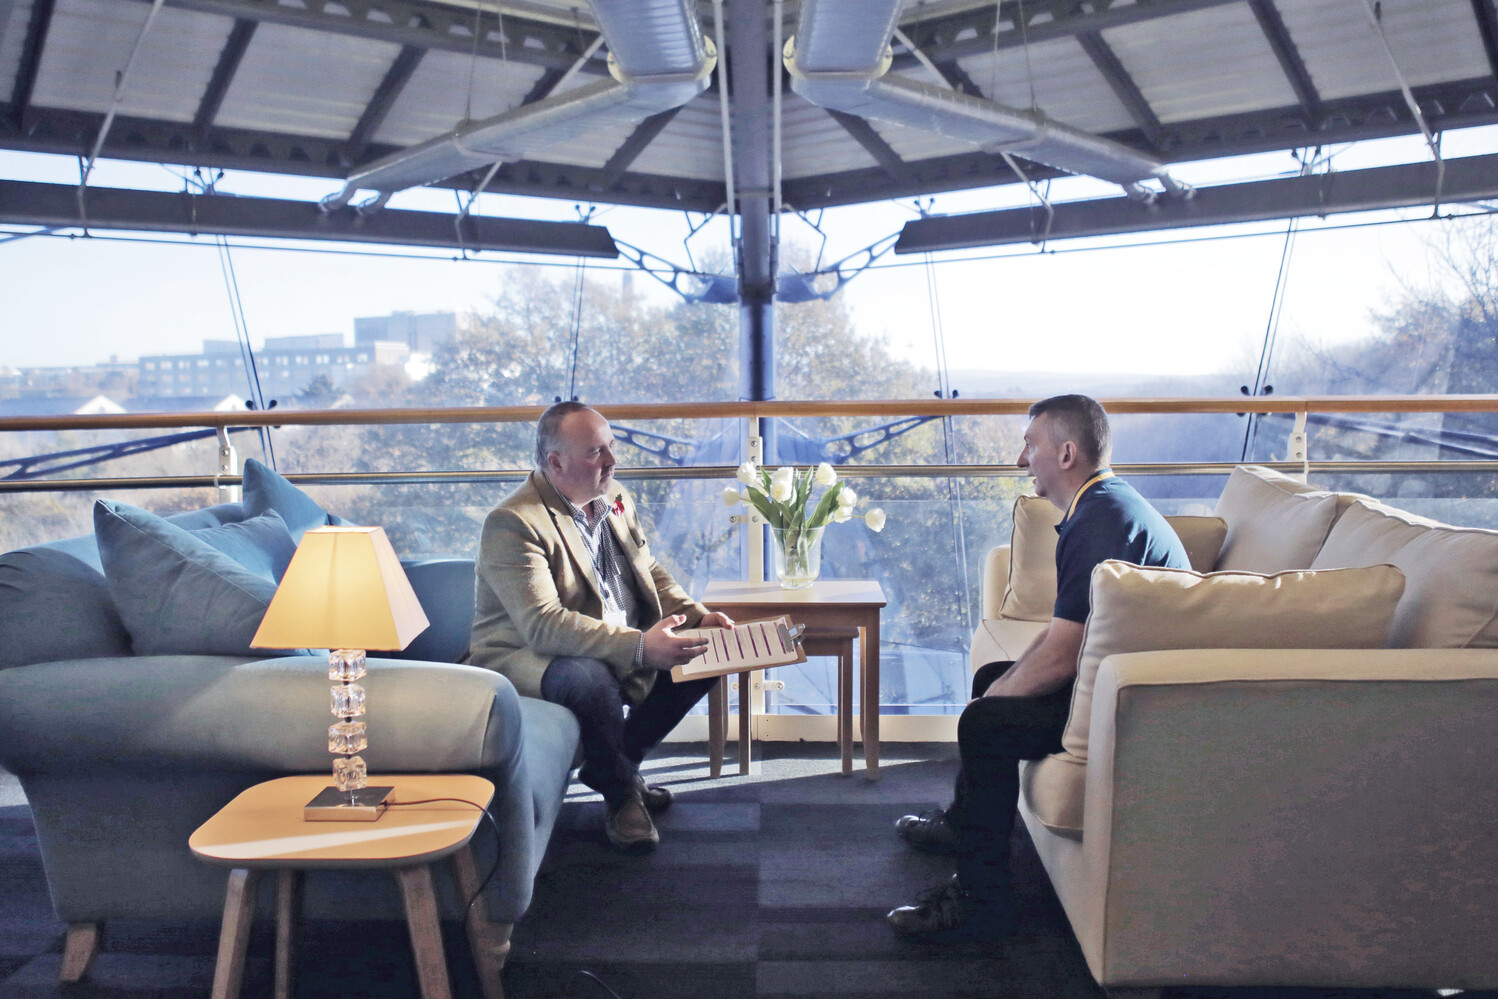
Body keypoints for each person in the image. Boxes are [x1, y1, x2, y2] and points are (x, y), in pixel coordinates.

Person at [887, 394, 1190, 941]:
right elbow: (1064, 631)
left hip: (1136, 701)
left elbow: (1065, 655)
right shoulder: (1099, 506)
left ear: (1067, 452)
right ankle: (964, 826)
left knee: (984, 722)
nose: (1021, 460)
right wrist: (998, 687)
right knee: (988, 682)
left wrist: (995, 702)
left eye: (1030, 445)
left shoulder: (1099, 524)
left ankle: (980, 902)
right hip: (1114, 676)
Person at [467, 401, 733, 852]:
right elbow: (543, 625)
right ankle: (621, 793)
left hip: (601, 634)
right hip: (529, 654)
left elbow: (650, 571)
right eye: (595, 453)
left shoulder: (614, 497)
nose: (612, 461)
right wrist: (640, 648)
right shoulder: (513, 523)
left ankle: (616, 766)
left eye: (611, 447)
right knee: (590, 678)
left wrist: (697, 615)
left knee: (706, 650)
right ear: (556, 462)